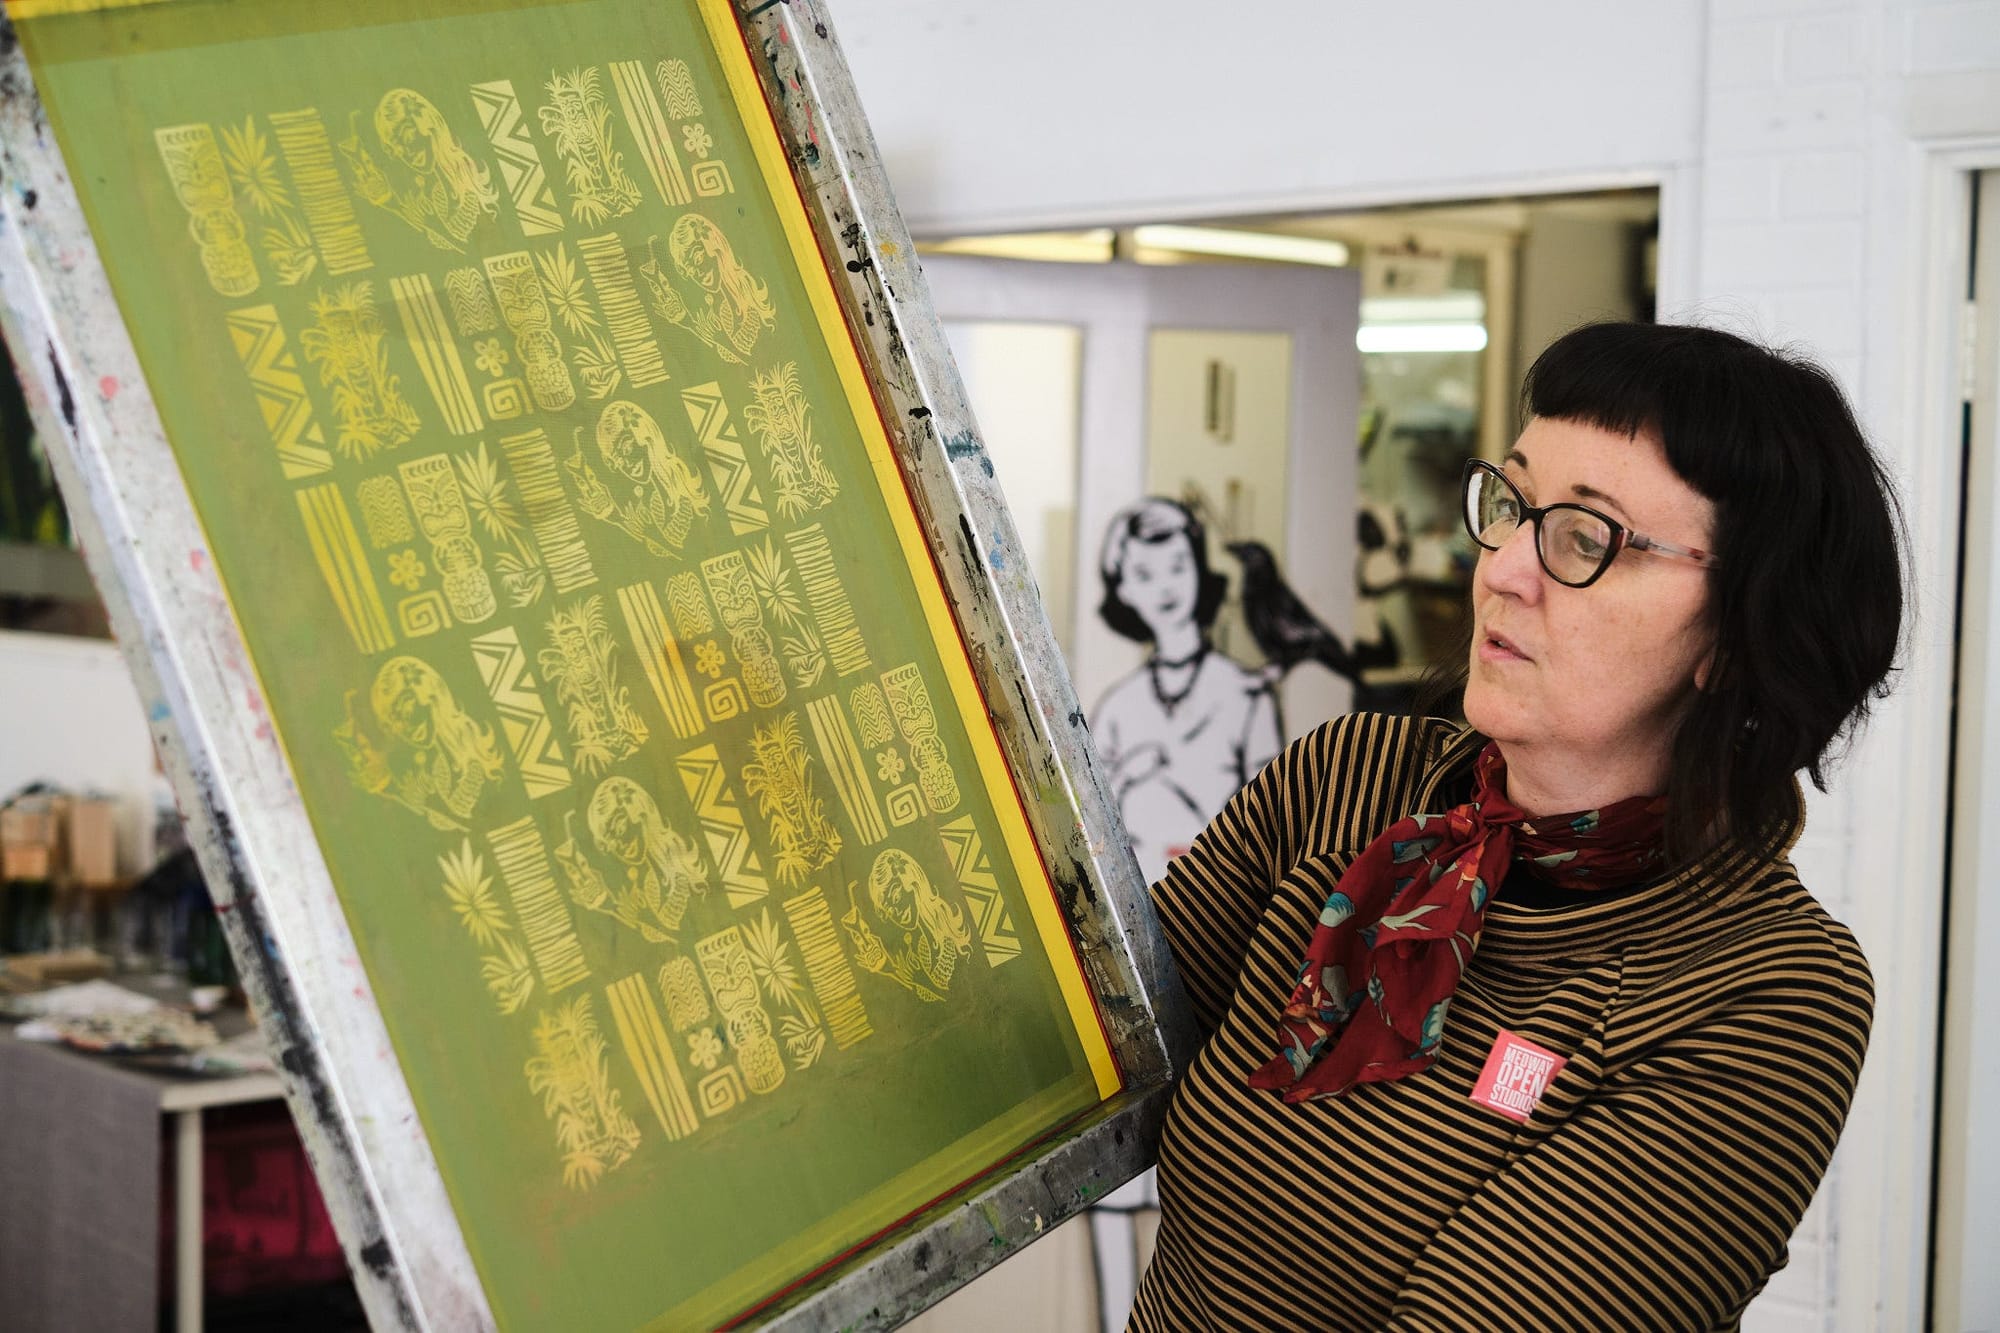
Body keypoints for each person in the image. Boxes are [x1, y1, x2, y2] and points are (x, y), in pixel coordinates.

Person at [1131, 322, 1903, 1331]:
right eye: (1512, 505)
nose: (1500, 568)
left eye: (1586, 537)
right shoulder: (1351, 778)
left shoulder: (1763, 992)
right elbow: (1089, 1054)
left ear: (1738, 631)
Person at [1091, 498, 1284, 887]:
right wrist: (1127, 775)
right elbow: (1089, 822)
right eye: (1144, 574)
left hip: (1223, 899)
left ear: (1198, 569)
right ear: (1123, 589)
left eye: (1178, 566)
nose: (1166, 587)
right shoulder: (1115, 708)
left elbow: (1273, 822)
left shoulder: (1247, 695)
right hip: (1133, 897)